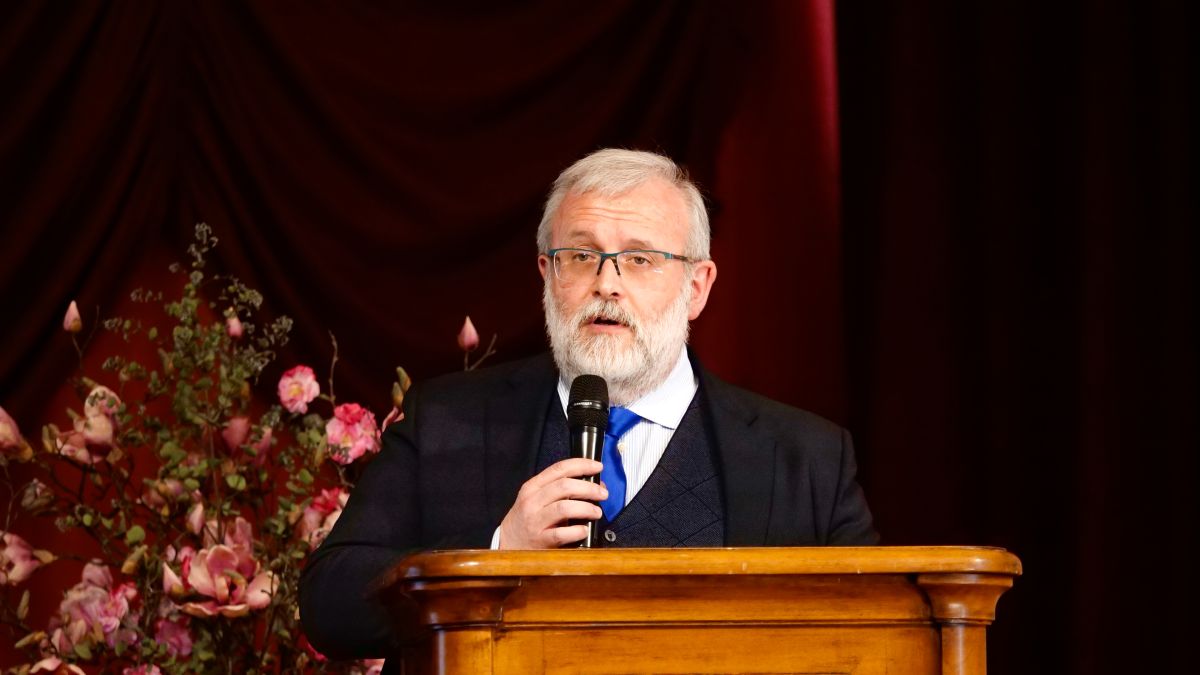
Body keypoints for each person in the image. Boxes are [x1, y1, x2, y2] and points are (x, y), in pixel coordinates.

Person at [299, 149, 877, 661]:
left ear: (697, 287)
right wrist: (496, 552)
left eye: (640, 258)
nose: (607, 283)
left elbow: (872, 640)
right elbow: (328, 604)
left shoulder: (807, 458)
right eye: (581, 255)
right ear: (548, 275)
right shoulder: (446, 420)